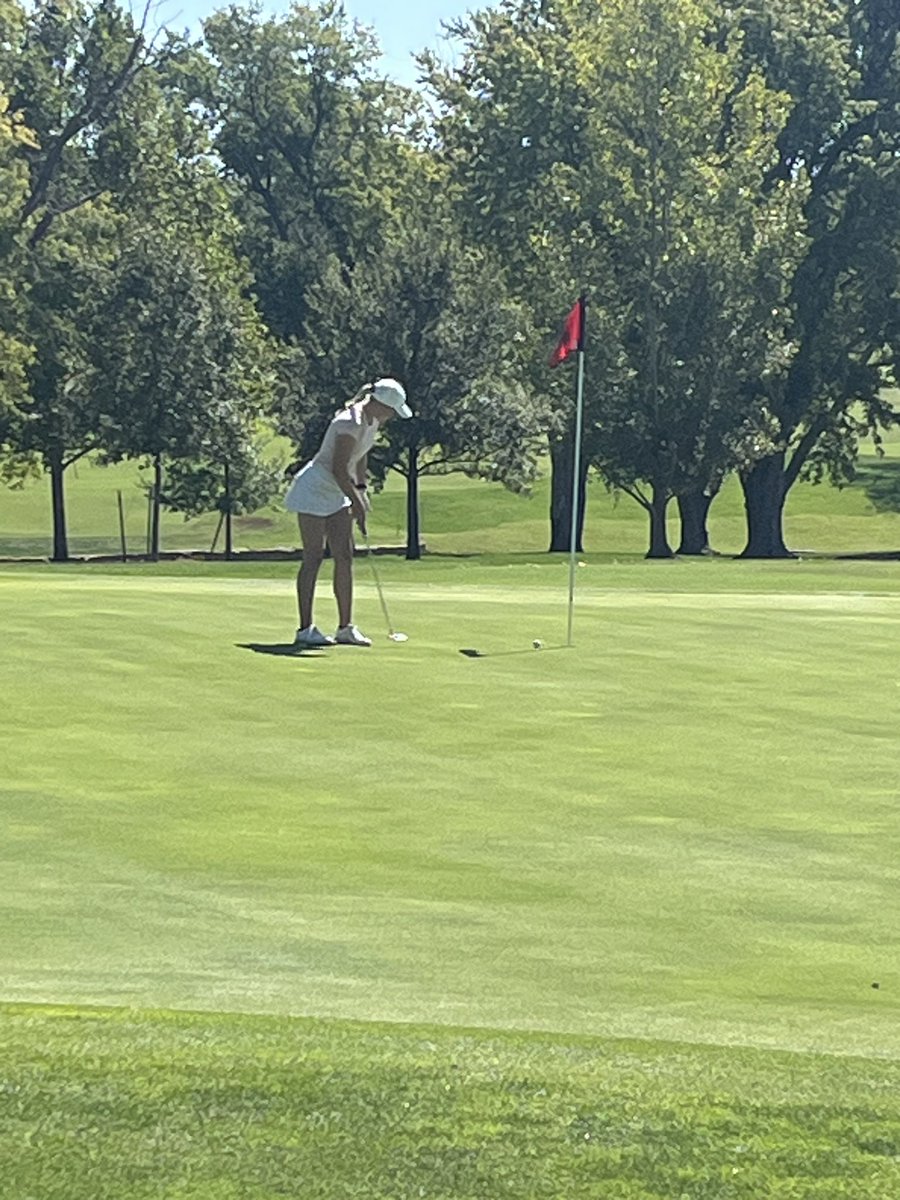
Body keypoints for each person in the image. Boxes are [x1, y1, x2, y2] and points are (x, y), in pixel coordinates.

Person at [284, 377, 412, 648]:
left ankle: (345, 628)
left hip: (338, 491)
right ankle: (305, 629)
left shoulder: (371, 421)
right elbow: (338, 469)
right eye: (391, 411)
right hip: (315, 489)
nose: (391, 417)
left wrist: (361, 490)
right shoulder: (349, 422)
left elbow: (361, 455)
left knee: (344, 555)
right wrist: (356, 502)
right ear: (380, 404)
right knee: (313, 557)